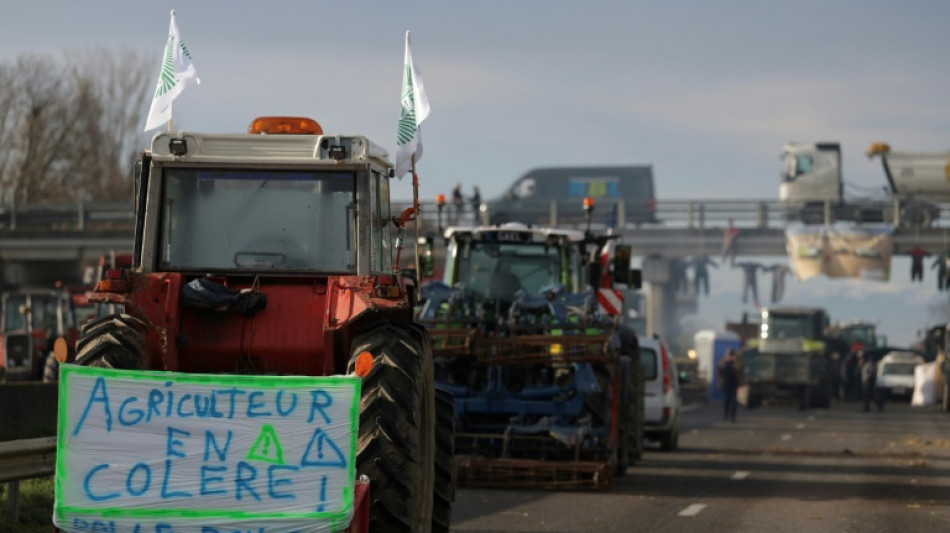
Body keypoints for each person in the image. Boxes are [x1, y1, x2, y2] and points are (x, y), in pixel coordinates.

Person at [718, 349, 741, 422]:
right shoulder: (724, 363)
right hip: (726, 384)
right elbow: (720, 372)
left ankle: (732, 416)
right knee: (727, 400)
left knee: (733, 401)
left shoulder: (736, 363)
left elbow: (740, 370)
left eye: (732, 356)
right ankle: (726, 414)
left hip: (734, 384)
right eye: (730, 356)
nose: (731, 357)